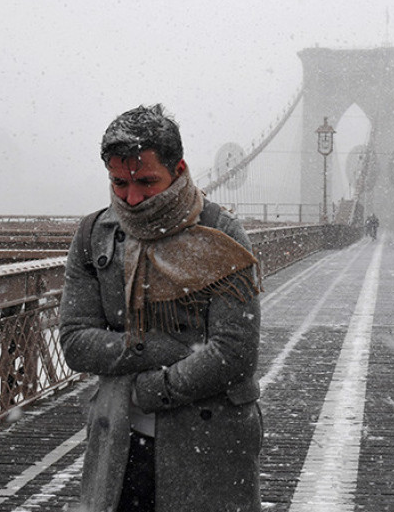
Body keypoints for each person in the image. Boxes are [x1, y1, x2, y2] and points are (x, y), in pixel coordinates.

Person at [59, 104, 262, 512]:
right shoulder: (93, 235)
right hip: (119, 442)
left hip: (209, 443)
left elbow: (235, 353)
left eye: (146, 181)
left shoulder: (222, 234)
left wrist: (155, 389)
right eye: (119, 183)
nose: (132, 198)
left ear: (178, 168)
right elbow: (75, 342)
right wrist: (159, 348)